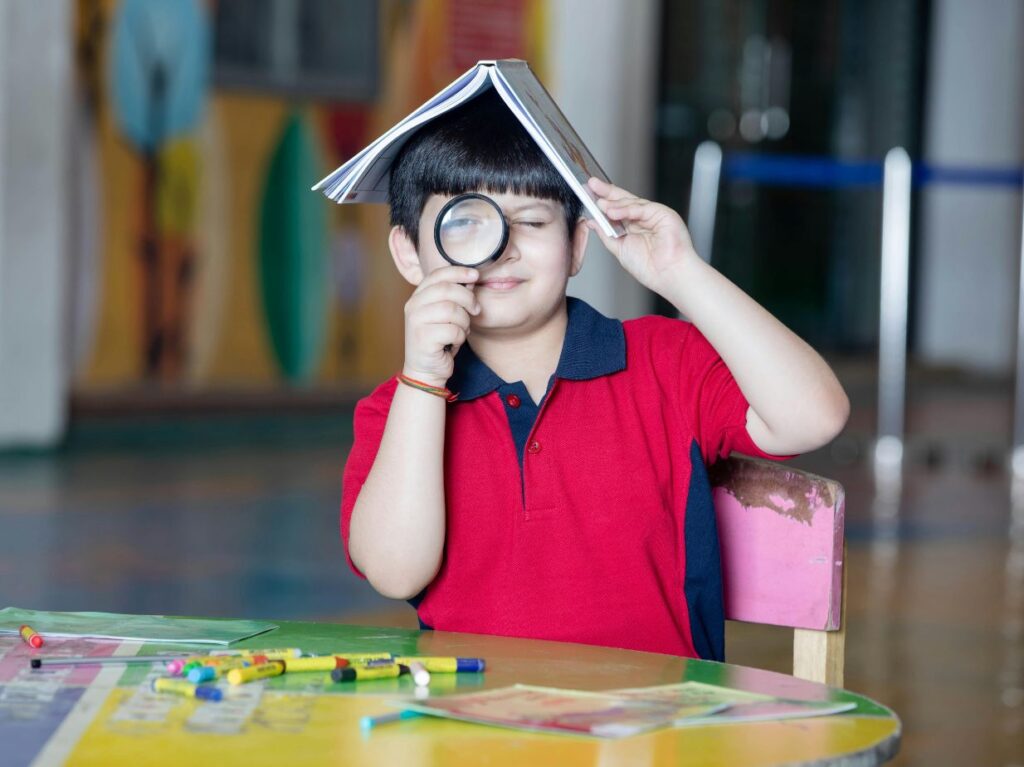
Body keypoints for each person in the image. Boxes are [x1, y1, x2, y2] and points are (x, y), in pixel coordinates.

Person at [340, 90, 849, 659]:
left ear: (577, 245)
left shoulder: (664, 363)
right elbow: (394, 573)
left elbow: (815, 416)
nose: (502, 250)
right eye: (467, 224)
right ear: (410, 254)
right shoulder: (400, 409)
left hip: (653, 730)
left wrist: (682, 275)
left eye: (532, 220)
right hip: (475, 728)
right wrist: (423, 379)